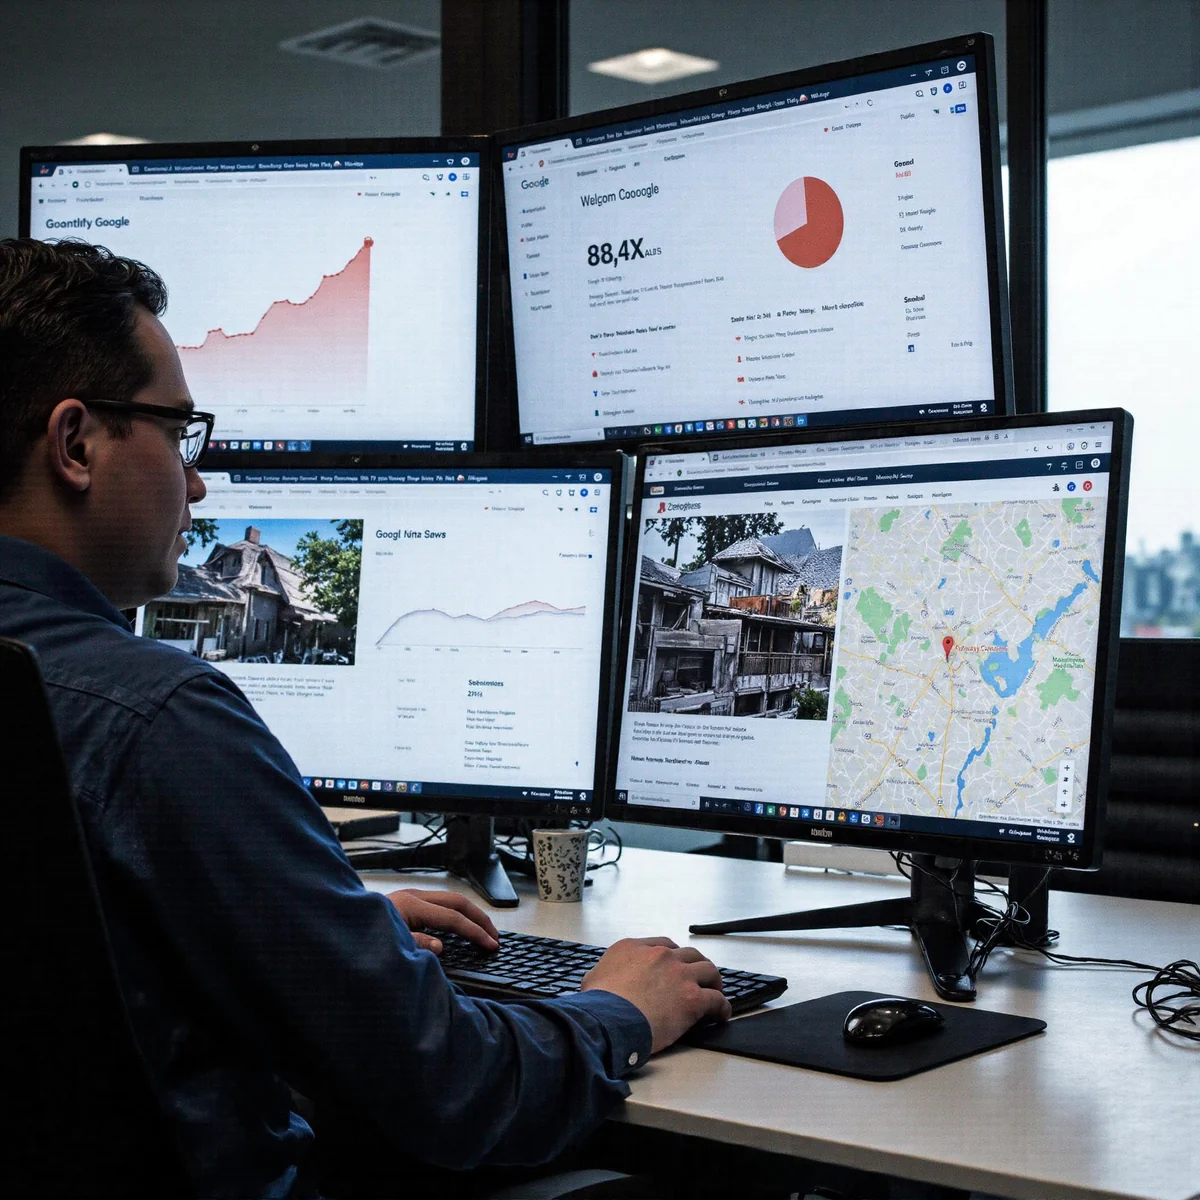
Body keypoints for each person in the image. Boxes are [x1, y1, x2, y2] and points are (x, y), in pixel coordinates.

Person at [0, 238, 731, 1199]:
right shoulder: (159, 716)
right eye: (180, 432)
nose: (199, 482)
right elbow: (457, 1091)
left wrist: (319, 933)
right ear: (76, 443)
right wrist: (617, 1011)